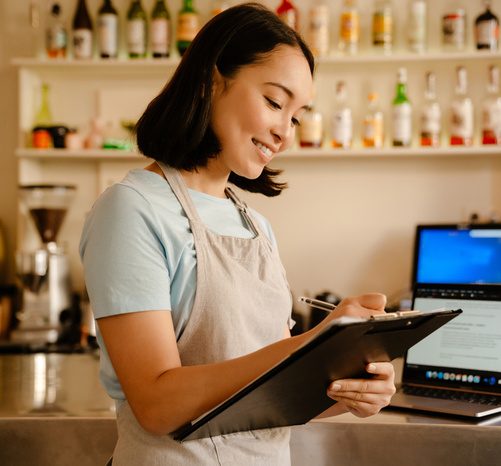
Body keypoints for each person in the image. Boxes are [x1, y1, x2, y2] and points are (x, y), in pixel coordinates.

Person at [79, 4, 395, 464]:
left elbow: (268, 396)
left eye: (296, 115)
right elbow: (155, 403)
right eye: (273, 101)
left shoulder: (255, 225)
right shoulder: (131, 210)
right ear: (210, 81)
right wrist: (310, 343)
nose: (284, 132)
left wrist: (348, 391)